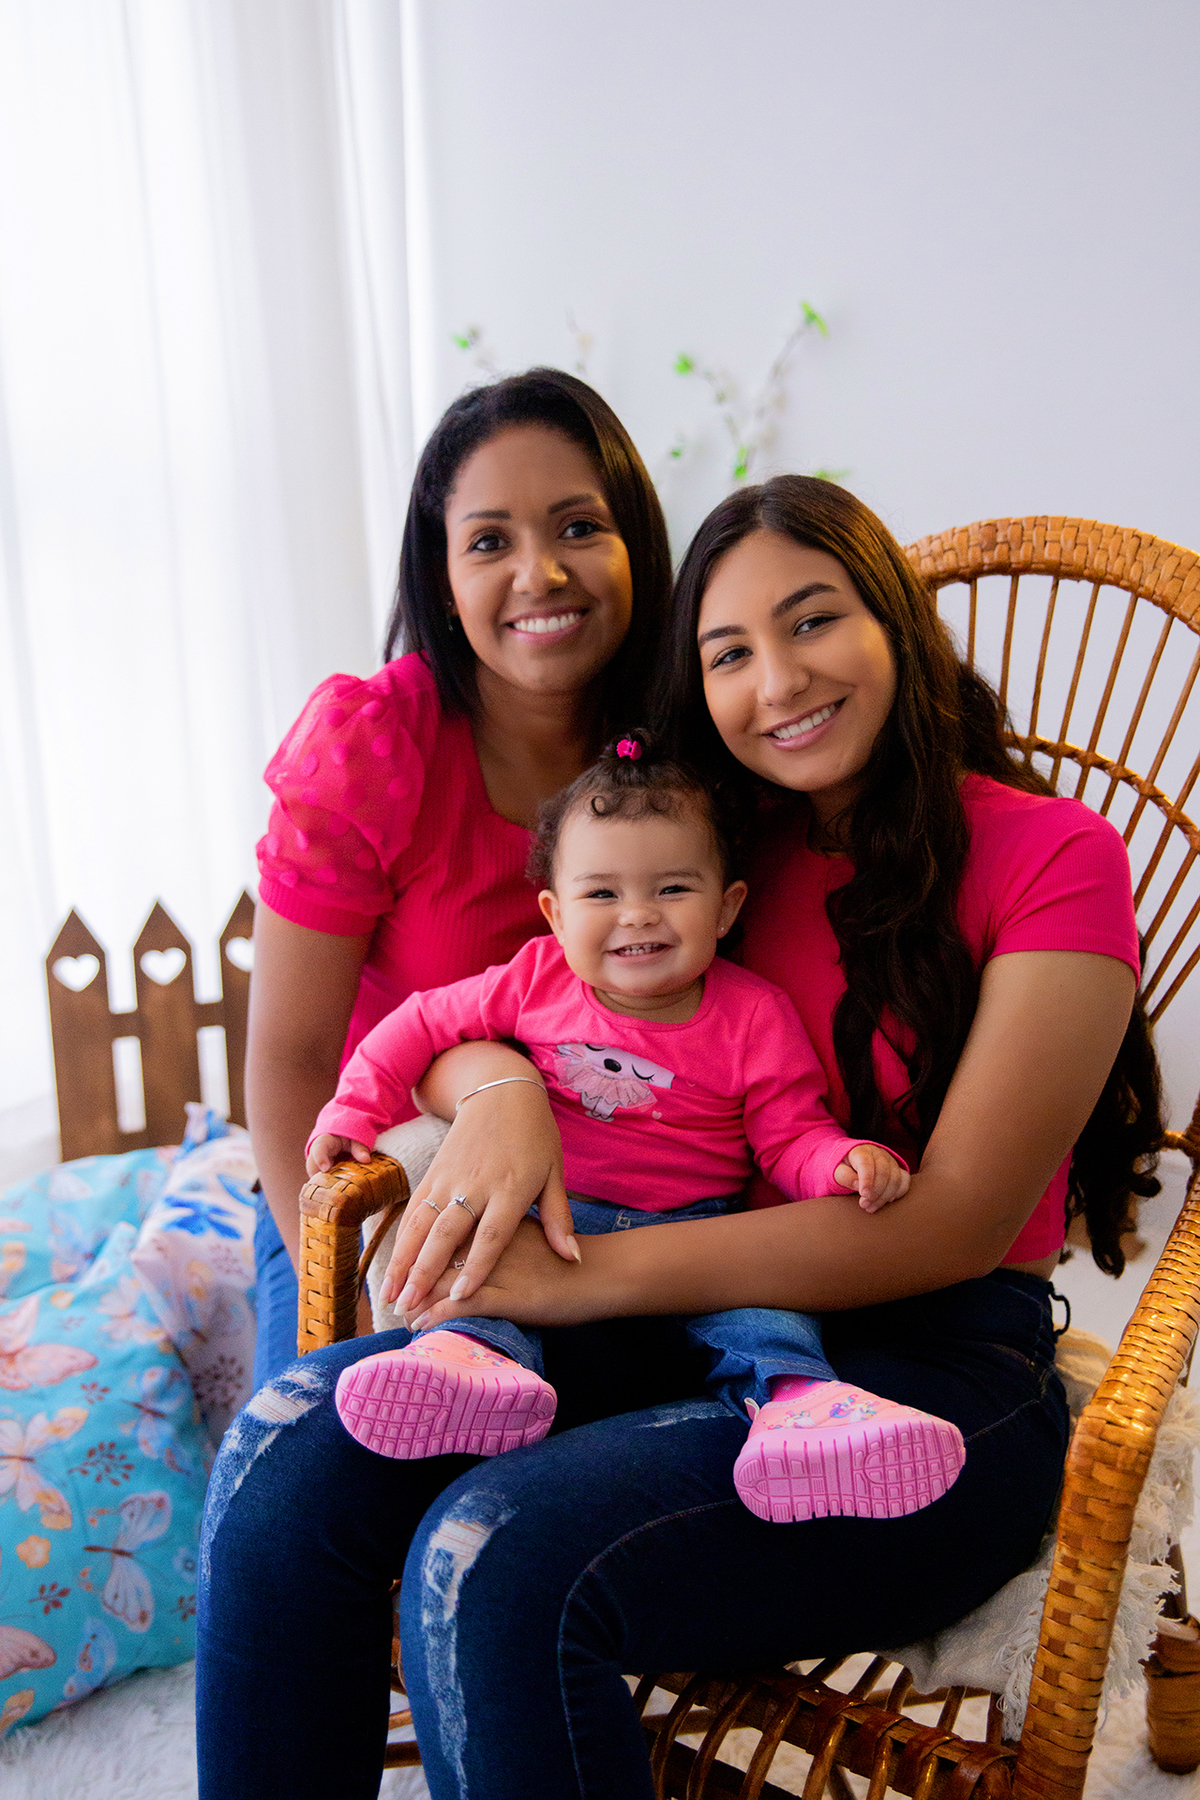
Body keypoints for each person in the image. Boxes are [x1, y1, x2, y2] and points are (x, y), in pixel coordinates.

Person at [197, 477, 1162, 1800]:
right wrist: (503, 1096)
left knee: (496, 1560)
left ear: (891, 621)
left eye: (813, 622)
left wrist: (579, 1279)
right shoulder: (705, 853)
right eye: (727, 654)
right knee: (285, 1453)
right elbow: (509, 1006)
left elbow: (955, 1226)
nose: (778, 681)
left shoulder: (1056, 856)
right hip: (674, 1325)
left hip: (929, 1380)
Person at [307, 734, 963, 1523]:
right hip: (555, 1222)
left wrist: (845, 1163)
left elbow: (788, 1138)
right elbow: (415, 1025)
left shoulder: (755, 1014)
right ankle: (469, 1368)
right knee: (483, 1278)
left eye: (673, 888)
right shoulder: (534, 977)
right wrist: (354, 1110)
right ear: (554, 911)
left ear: (727, 907)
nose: (638, 915)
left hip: (699, 1240)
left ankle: (802, 1413)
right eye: (602, 894)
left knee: (768, 1315)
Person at [243, 368, 671, 1387]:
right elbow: (291, 1058)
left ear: (637, 548)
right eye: (489, 541)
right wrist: (334, 1282)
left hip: (614, 1199)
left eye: (577, 527)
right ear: (441, 576)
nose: (540, 573)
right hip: (372, 1176)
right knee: (318, 1458)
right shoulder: (370, 746)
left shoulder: (685, 746)